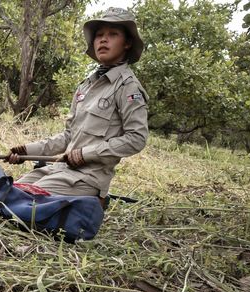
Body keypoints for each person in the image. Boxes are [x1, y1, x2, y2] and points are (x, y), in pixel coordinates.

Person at [8, 6, 148, 201]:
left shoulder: (128, 87)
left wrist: (86, 154)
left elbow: (137, 138)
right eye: (99, 35)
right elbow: (68, 136)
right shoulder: (86, 85)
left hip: (86, 179)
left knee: (20, 200)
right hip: (59, 169)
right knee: (9, 190)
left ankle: (95, 202)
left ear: (127, 43)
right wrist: (25, 151)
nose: (103, 40)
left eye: (113, 34)